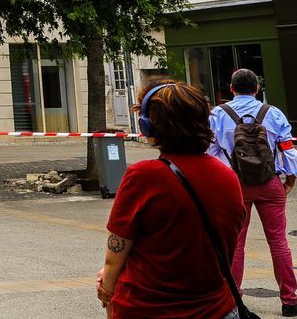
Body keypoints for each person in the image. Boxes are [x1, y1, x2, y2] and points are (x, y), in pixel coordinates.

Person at [99, 80, 247, 319]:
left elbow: (114, 256)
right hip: (217, 309)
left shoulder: (144, 176)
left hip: (148, 309)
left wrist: (106, 289)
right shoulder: (228, 176)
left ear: (148, 125)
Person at [207, 69, 297, 316]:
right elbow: (287, 148)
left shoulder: (218, 114)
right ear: (257, 89)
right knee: (278, 241)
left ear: (231, 89)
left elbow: (211, 152)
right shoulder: (273, 113)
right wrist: (290, 179)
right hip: (269, 183)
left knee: (236, 243)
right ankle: (289, 301)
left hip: (234, 184)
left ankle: (233, 299)